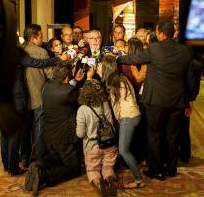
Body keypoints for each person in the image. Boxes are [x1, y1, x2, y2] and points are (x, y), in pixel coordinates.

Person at [117, 21, 196, 180]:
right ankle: (171, 168)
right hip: (177, 101)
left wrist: (119, 58)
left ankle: (157, 170)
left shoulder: (154, 49)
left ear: (160, 34)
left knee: (153, 135)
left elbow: (134, 59)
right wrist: (189, 100)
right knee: (173, 136)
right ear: (173, 33)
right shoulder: (186, 51)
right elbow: (191, 80)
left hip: (155, 101)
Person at [25, 62, 85, 196]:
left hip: (48, 135)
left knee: (57, 159)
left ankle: (40, 165)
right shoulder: (68, 91)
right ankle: (44, 177)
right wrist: (90, 78)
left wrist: (74, 80)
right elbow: (82, 96)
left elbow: (66, 87)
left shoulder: (46, 86)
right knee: (74, 168)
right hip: (63, 137)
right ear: (66, 79)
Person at [99, 55, 145, 189]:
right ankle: (137, 173)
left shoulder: (113, 80)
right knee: (125, 149)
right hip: (134, 115)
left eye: (101, 65)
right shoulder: (121, 77)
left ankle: (138, 180)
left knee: (123, 150)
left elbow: (115, 107)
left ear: (106, 67)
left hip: (128, 117)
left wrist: (119, 120)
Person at [76, 79, 118, 197]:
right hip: (109, 144)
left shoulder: (82, 110)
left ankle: (99, 184)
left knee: (93, 170)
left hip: (92, 146)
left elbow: (80, 134)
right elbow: (110, 123)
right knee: (108, 166)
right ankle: (109, 178)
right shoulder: (105, 103)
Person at [23, 24, 53, 161]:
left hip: (23, 97)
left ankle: (26, 157)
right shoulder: (41, 52)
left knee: (26, 130)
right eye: (41, 36)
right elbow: (51, 74)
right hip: (38, 95)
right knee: (40, 128)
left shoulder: (19, 50)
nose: (42, 39)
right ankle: (41, 157)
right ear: (34, 38)